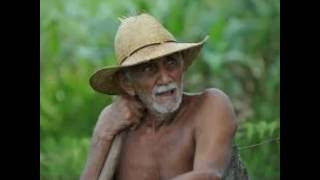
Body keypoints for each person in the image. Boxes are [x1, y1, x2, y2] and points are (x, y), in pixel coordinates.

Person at [81, 13, 238, 180]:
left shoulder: (210, 105)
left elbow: (209, 176)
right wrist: (102, 134)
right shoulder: (115, 125)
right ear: (127, 84)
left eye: (171, 63)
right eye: (149, 69)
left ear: (182, 65)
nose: (165, 78)